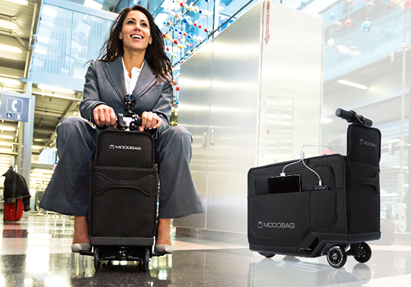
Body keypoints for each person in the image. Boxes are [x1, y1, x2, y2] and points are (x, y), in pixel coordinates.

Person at [39, 5, 203, 254]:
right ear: (120, 33)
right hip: (105, 142)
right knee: (70, 125)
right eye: (131, 22)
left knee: (180, 135)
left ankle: (164, 226)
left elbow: (164, 117)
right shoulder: (98, 69)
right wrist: (97, 108)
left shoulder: (161, 79)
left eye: (144, 24)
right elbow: (86, 104)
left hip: (146, 146)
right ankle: (80, 222)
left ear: (149, 38)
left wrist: (154, 119)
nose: (137, 26)